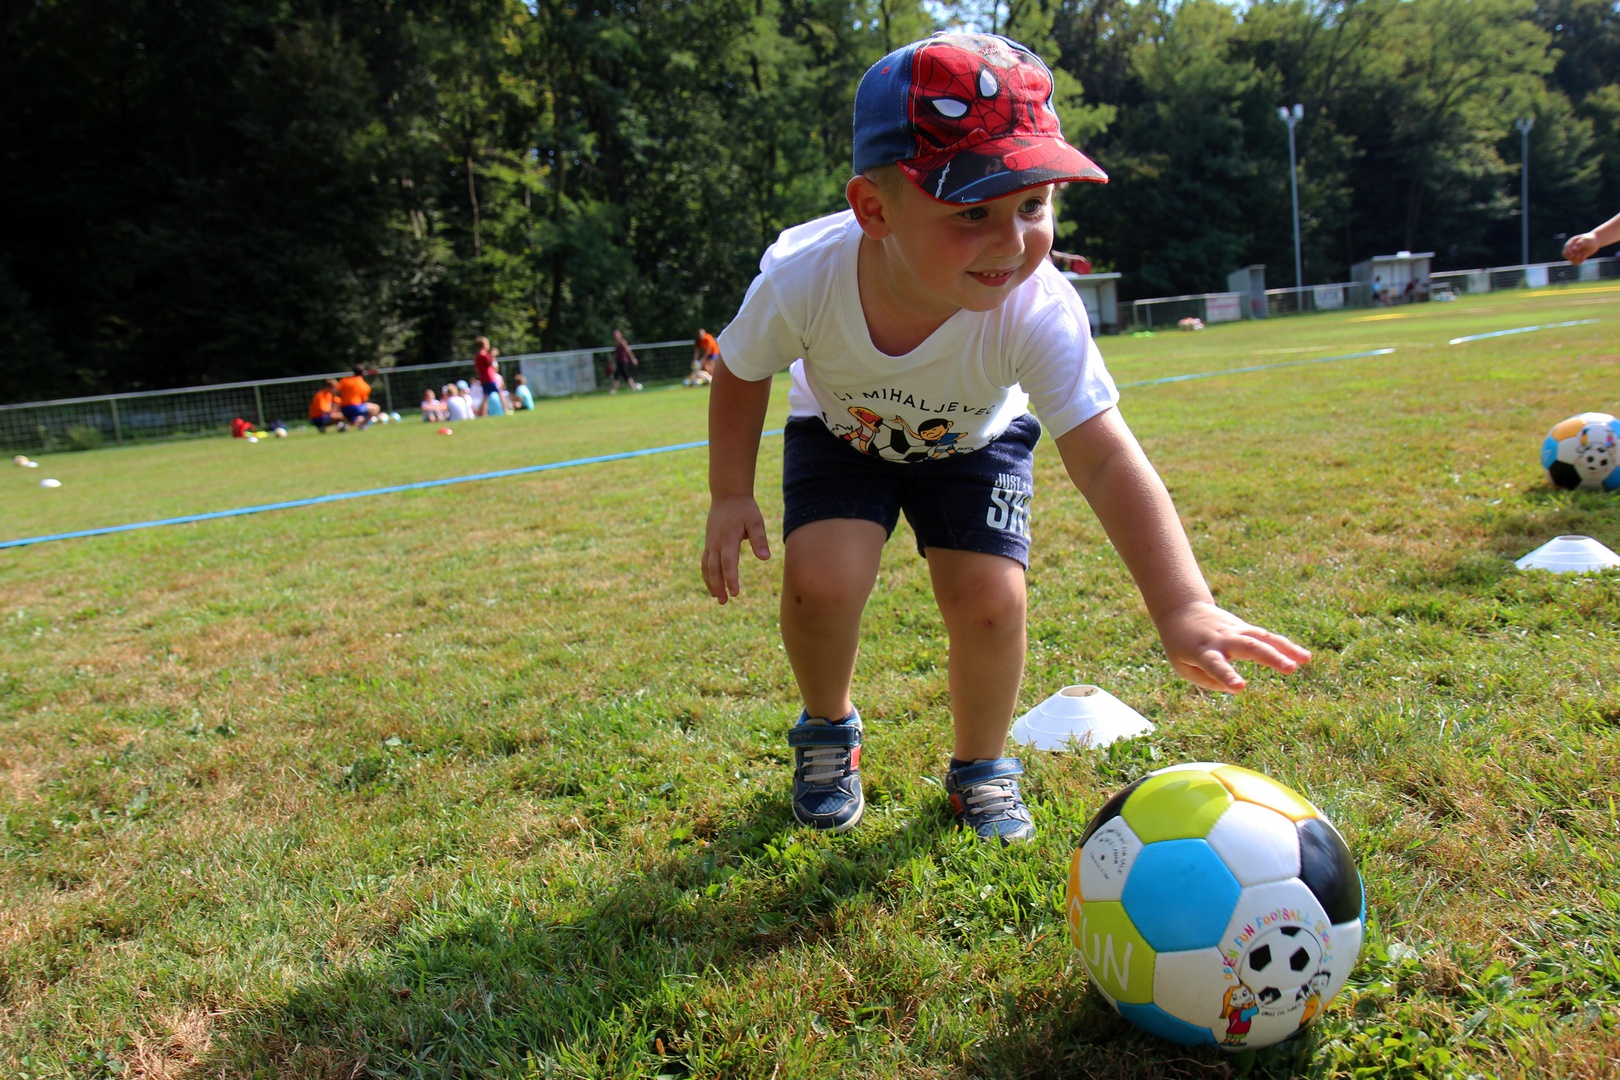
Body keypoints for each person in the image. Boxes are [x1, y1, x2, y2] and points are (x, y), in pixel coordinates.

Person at [700, 32, 1310, 844]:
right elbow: (740, 369)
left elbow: (1103, 454)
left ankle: (980, 767)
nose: (1012, 240)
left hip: (976, 438)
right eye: (972, 211)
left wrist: (1183, 602)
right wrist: (730, 494)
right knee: (820, 583)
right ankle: (827, 731)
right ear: (875, 210)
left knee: (992, 602)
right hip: (842, 430)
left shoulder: (1039, 307)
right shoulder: (803, 278)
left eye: (1032, 205)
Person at [608, 329, 641, 394]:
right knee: (625, 375)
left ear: (620, 335)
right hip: (619, 361)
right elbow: (616, 354)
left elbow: (628, 351)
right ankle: (633, 388)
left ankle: (613, 390)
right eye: (614, 335)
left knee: (618, 375)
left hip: (623, 361)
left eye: (616, 334)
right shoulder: (616, 343)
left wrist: (633, 358)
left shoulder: (622, 342)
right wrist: (612, 361)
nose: (615, 336)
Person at [473, 336, 500, 417]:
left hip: (483, 378)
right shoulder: (484, 355)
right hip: (490, 377)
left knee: (485, 396)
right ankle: (506, 409)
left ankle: (484, 413)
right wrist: (493, 355)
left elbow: (477, 368)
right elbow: (490, 364)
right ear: (484, 345)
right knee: (500, 392)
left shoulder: (477, 356)